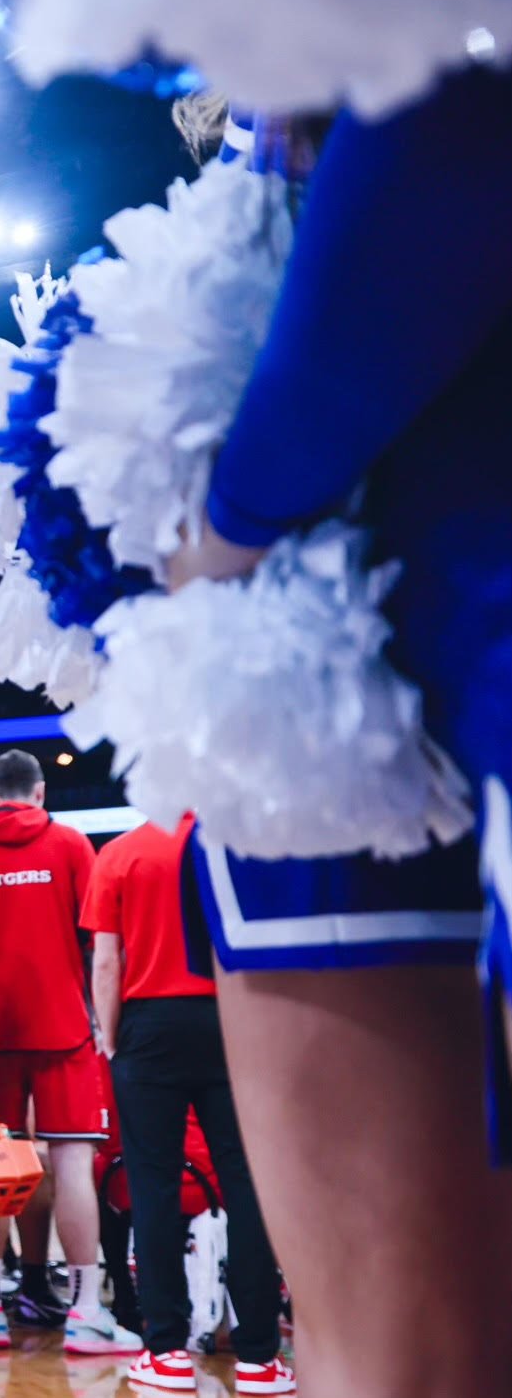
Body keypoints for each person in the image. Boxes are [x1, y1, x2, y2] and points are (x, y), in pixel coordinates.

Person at [162, 71, 512, 1398]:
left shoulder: (414, 19)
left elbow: (446, 134)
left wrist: (227, 519)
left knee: (395, 1361)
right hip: (394, 710)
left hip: (355, 730)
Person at [0, 748, 137, 1353]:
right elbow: (96, 939)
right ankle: (84, 1311)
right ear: (41, 791)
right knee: (73, 1165)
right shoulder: (73, 845)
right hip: (63, 1029)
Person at [85, 814, 290, 1393]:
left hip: (149, 1024)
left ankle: (167, 1351)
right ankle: (259, 1357)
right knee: (246, 1183)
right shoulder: (236, 841)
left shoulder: (121, 854)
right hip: (231, 1020)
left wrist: (111, 1035)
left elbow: (107, 960)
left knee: (152, 1187)